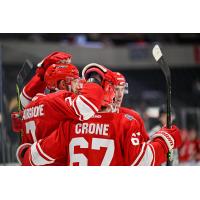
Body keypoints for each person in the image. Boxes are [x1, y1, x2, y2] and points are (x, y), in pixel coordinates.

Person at [20, 64, 182, 166]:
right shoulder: (126, 122)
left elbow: (36, 156)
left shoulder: (70, 123)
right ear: (111, 91)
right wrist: (165, 140)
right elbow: (142, 161)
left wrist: (25, 152)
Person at [16, 63, 114, 165]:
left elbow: (24, 151)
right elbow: (86, 105)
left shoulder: (29, 107)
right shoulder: (57, 100)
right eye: (75, 81)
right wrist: (94, 77)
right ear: (63, 84)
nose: (79, 86)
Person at [112, 72, 149, 142]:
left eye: (122, 89)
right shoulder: (93, 116)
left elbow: (145, 145)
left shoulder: (134, 116)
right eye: (116, 89)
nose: (120, 95)